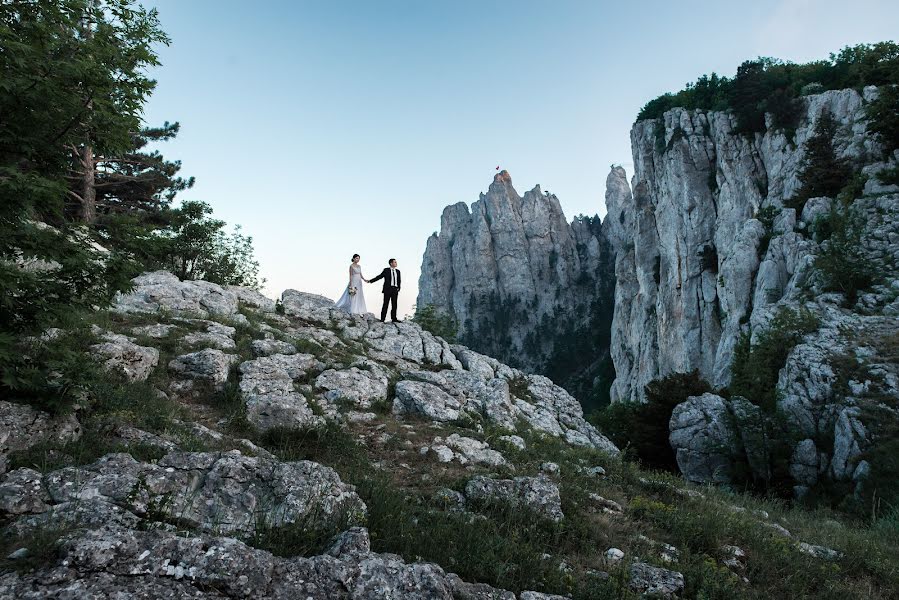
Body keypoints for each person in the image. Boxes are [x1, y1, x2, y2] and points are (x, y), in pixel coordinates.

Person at [368, 258, 401, 322]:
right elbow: (380, 276)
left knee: (394, 304)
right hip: (387, 289)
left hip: (395, 289)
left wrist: (398, 288)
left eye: (396, 262)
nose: (396, 263)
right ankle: (382, 319)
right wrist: (371, 281)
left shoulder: (398, 271)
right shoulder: (386, 270)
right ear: (391, 263)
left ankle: (394, 318)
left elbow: (399, 280)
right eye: (395, 262)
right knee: (385, 304)